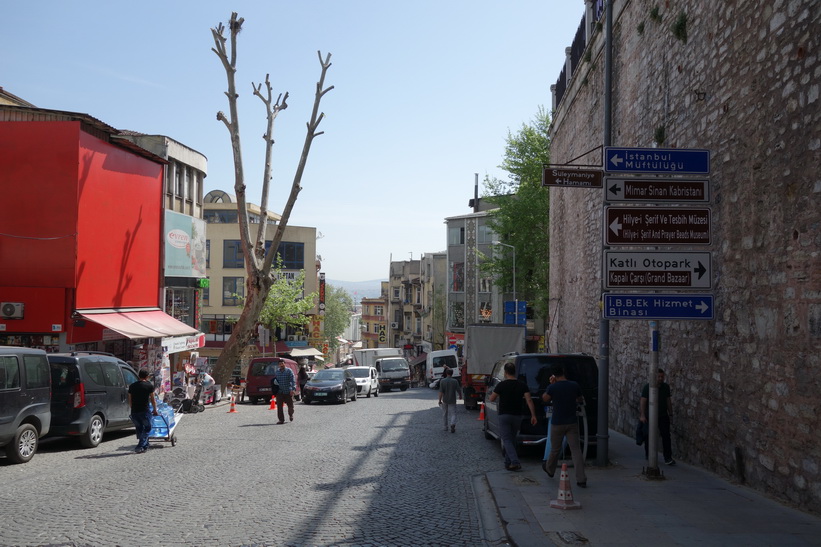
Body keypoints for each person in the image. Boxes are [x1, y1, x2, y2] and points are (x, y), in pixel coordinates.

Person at [542, 365, 587, 487]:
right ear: (563, 372)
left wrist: (550, 384)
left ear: (554, 376)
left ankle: (550, 469)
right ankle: (581, 479)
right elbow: (580, 399)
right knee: (576, 450)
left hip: (557, 422)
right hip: (571, 422)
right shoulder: (574, 385)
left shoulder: (553, 387)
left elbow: (545, 398)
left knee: (555, 449)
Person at [489, 362, 538, 471]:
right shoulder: (522, 385)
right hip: (517, 416)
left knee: (506, 439)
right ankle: (508, 462)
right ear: (514, 372)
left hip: (504, 415)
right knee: (512, 439)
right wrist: (533, 415)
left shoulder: (501, 385)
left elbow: (491, 398)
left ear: (505, 373)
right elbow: (529, 400)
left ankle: (515, 461)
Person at [640, 368, 675, 465]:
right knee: (648, 435)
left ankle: (668, 457)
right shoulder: (648, 387)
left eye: (662, 377)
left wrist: (671, 413)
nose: (660, 378)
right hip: (650, 415)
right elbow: (643, 401)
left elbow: (668, 400)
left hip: (663, 415)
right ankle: (649, 454)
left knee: (666, 436)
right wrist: (642, 415)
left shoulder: (666, 387)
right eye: (658, 377)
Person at [128, 369, 159, 454]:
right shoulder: (149, 386)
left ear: (139, 376)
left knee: (140, 428)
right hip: (144, 410)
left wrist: (132, 408)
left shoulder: (132, 386)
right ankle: (140, 446)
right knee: (148, 427)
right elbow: (153, 400)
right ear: (147, 377)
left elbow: (129, 400)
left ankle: (145, 445)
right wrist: (155, 410)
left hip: (134, 411)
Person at [438, 367, 462, 433]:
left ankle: (445, 427)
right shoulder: (455, 381)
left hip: (445, 400)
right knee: (453, 413)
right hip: (452, 399)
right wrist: (460, 396)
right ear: (452, 373)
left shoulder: (442, 381)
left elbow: (441, 392)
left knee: (444, 414)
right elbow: (458, 390)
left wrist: (440, 400)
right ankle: (452, 424)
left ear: (446, 373)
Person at [274, 360, 296, 424]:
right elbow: (275, 380)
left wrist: (292, 389)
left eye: (282, 363)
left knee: (290, 406)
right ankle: (281, 420)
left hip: (288, 391)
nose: (281, 365)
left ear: (284, 364)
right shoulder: (277, 372)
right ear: (278, 365)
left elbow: (292, 380)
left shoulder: (289, 371)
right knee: (279, 407)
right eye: (280, 364)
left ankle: (290, 414)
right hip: (279, 392)